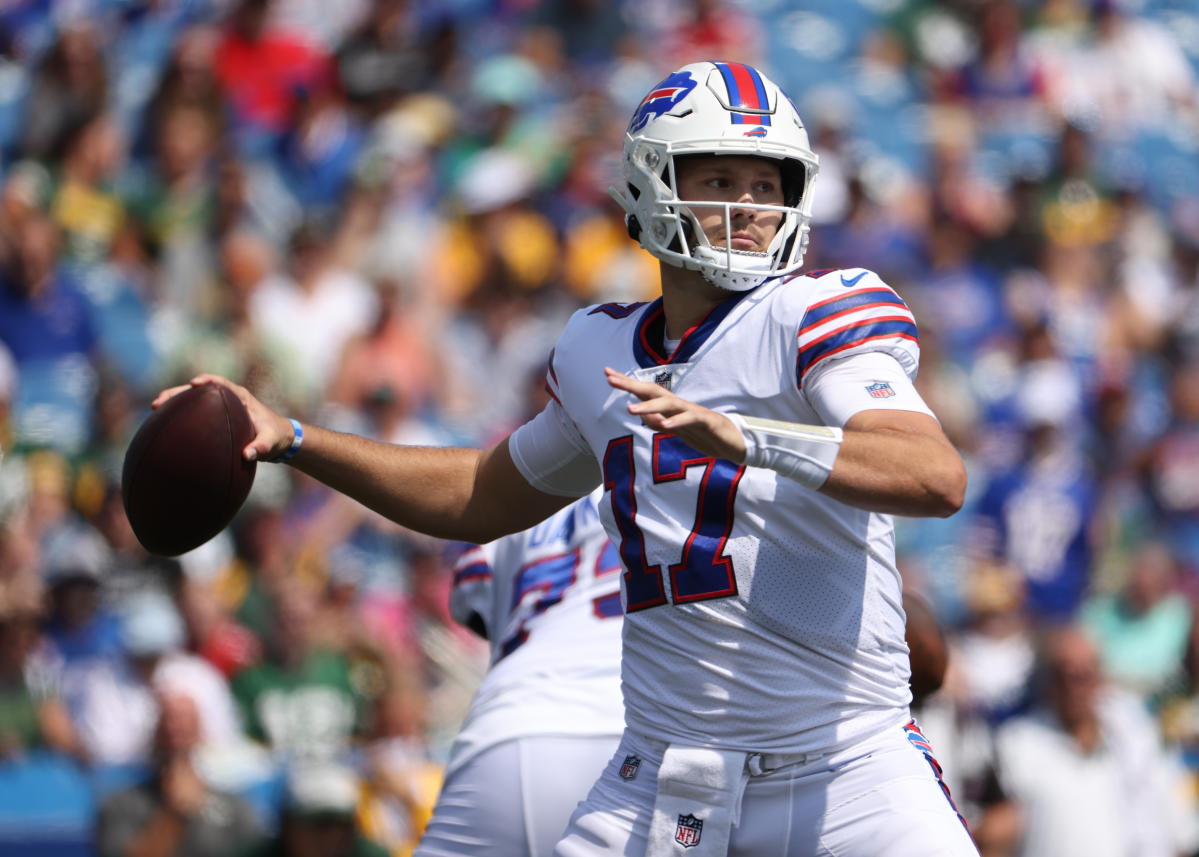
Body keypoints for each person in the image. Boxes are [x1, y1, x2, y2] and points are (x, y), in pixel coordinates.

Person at [156, 60, 972, 856]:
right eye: (720, 182)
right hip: (665, 777)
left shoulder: (814, 312)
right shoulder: (598, 348)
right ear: (652, 184)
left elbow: (932, 475)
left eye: (767, 185)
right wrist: (298, 439)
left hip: (848, 768)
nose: (750, 209)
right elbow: (483, 493)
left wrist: (743, 436)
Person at [415, 488, 624, 856]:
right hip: (638, 731)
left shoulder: (525, 474)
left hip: (512, 723)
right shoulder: (706, 463)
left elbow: (473, 607)